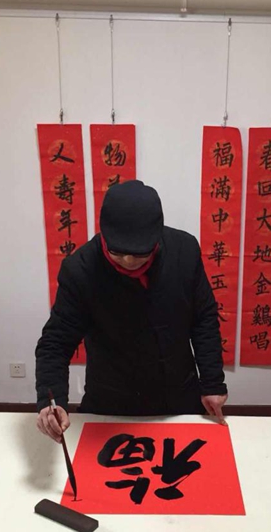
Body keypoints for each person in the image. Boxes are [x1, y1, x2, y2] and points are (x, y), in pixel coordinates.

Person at [36, 180, 227, 442]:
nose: (128, 261)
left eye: (139, 254)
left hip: (178, 395)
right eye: (117, 252)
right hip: (112, 401)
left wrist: (212, 382)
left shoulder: (184, 252)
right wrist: (52, 401)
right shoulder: (80, 270)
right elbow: (56, 343)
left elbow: (204, 318)